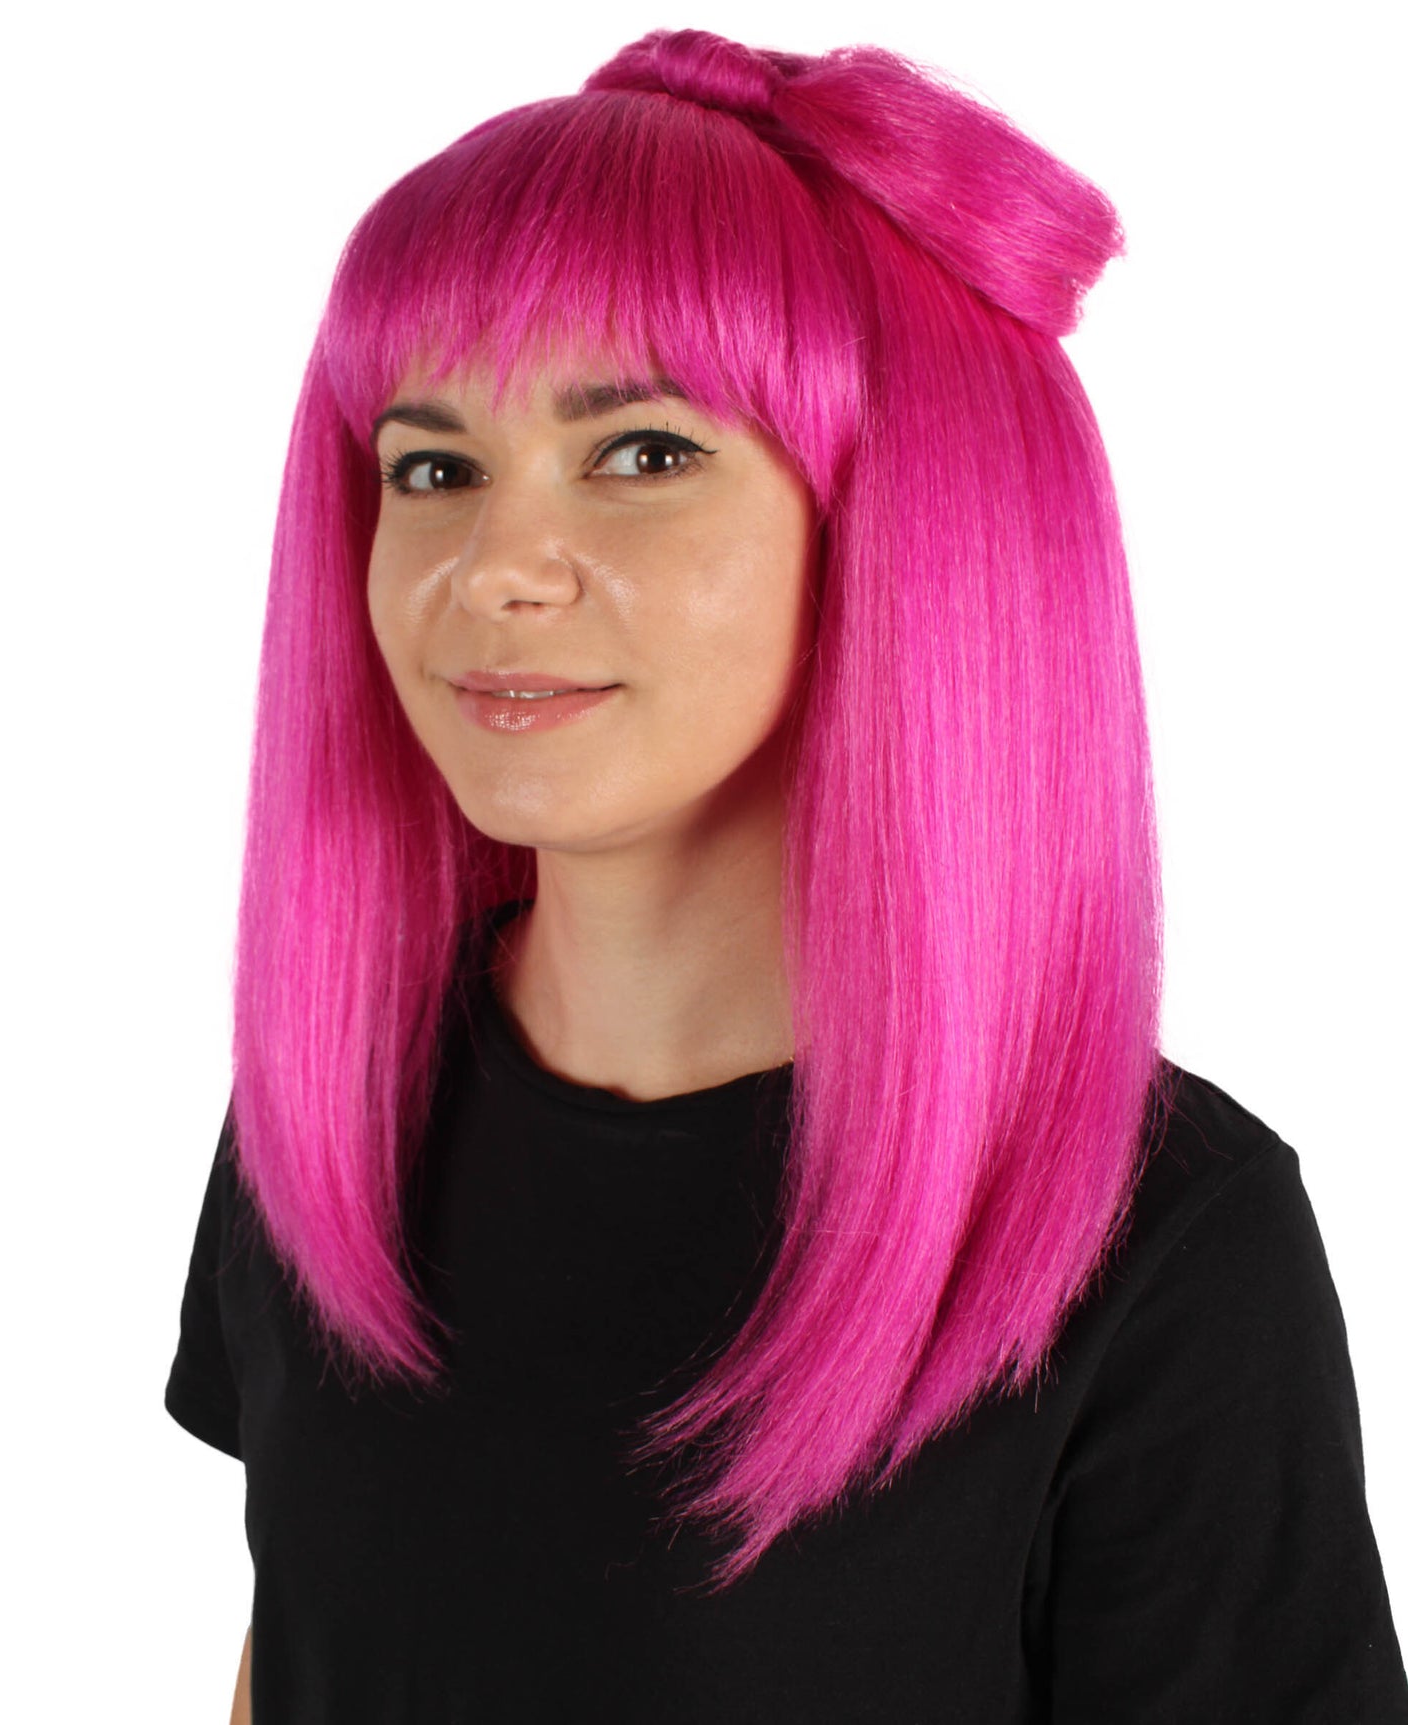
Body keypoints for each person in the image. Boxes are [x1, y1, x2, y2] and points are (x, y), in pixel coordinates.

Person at [164, 27, 1408, 1723]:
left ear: (893, 520)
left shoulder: (1159, 1246)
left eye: (642, 451)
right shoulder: (334, 1101)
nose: (492, 565)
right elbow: (300, 1643)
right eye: (433, 466)